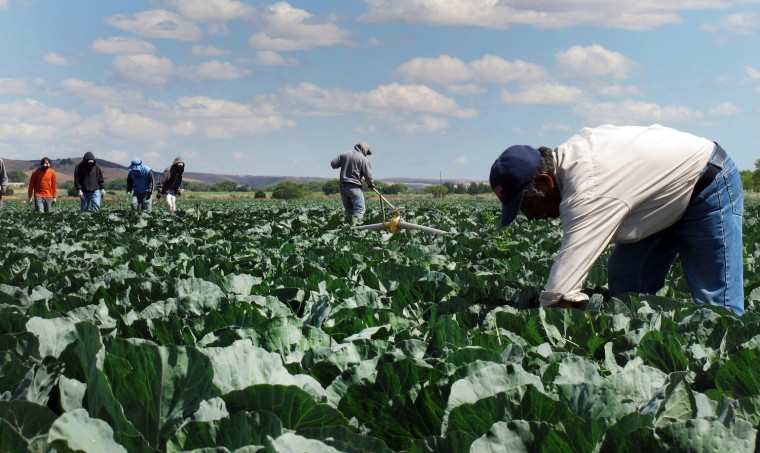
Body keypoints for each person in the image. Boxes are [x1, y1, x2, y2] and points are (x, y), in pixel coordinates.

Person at [490, 124, 744, 315]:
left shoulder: (587, 187)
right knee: (627, 279)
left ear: (546, 182)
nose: (531, 217)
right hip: (654, 198)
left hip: (707, 183)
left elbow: (561, 290)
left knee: (717, 304)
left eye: (528, 206)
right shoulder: (571, 161)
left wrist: (548, 320)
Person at [330, 142, 374, 225]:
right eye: (366, 153)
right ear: (364, 150)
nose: (366, 155)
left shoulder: (344, 154)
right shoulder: (363, 159)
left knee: (349, 210)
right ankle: (355, 227)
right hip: (354, 187)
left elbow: (333, 164)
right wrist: (370, 184)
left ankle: (348, 229)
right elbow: (368, 176)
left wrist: (345, 163)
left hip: (343, 187)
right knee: (360, 210)